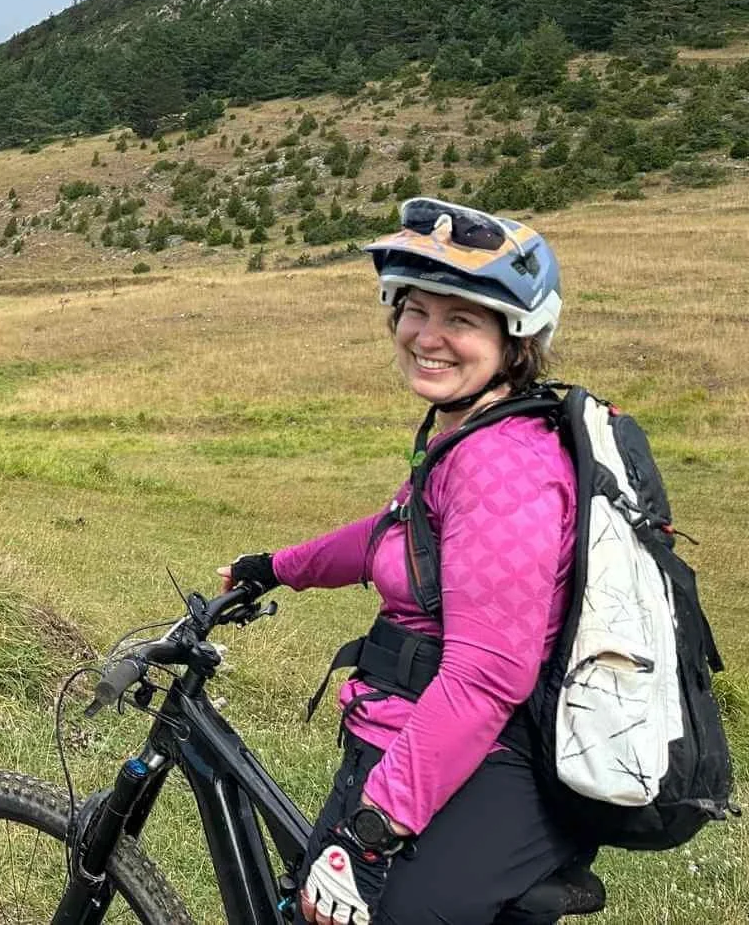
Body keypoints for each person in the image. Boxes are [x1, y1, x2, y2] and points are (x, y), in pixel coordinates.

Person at [221, 197, 589, 925]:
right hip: (410, 746)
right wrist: (276, 565)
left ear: (515, 339)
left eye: (462, 319)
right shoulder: (467, 435)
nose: (429, 335)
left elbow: (488, 677)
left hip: (475, 771)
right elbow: (396, 533)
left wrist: (373, 832)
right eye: (417, 310)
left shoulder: (504, 463)